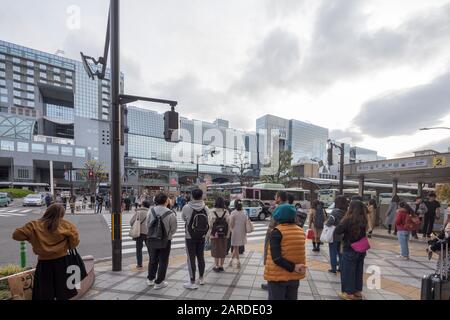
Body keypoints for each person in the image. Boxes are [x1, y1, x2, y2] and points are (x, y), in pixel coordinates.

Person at [12, 204, 80, 300]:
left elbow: (16, 235)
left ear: (47, 212)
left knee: (45, 293)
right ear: (62, 214)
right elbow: (74, 244)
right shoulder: (67, 225)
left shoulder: (34, 225)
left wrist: (32, 238)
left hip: (44, 264)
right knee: (64, 291)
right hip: (63, 262)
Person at [264, 202, 306, 300]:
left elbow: (277, 258)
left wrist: (293, 267)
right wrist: (295, 268)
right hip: (294, 278)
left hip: (277, 278)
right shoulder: (300, 231)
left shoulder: (277, 232)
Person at [335, 200, 369, 300]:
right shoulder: (364, 219)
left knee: (348, 271)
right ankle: (357, 292)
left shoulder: (348, 219)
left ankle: (349, 293)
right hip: (361, 249)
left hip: (350, 249)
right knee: (358, 270)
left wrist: (344, 219)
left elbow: (338, 230)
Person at [146, 193, 177, 290]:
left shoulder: (151, 211)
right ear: (165, 201)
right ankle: (159, 282)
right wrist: (167, 234)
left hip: (152, 238)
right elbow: (174, 228)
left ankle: (150, 279)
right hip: (166, 240)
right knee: (163, 261)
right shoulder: (170, 213)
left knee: (152, 259)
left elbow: (148, 224)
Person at [182, 188, 210, 290]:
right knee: (201, 257)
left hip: (190, 237)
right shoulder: (206, 208)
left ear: (192, 196)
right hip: (202, 236)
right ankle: (201, 278)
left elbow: (183, 218)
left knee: (191, 259)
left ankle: (192, 281)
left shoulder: (186, 207)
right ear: (201, 196)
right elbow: (209, 222)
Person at [261, 191, 288, 290]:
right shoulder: (288, 207)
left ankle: (271, 282)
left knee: (271, 258)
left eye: (275, 196)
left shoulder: (278, 208)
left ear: (279, 198)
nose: (274, 198)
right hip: (283, 236)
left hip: (274, 236)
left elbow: (273, 224)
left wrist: (270, 232)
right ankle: (279, 281)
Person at [324, 195, 348, 274]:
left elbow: (330, 222)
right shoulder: (346, 212)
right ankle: (341, 267)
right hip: (343, 235)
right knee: (340, 252)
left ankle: (333, 268)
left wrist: (326, 223)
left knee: (333, 252)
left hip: (333, 235)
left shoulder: (334, 212)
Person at [208, 197, 231, 272]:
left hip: (215, 235)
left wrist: (209, 234)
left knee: (215, 249)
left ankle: (216, 266)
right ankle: (221, 266)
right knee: (223, 249)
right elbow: (229, 224)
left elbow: (210, 225)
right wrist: (228, 234)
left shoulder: (212, 212)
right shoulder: (226, 212)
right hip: (224, 234)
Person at [130, 200, 151, 269]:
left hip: (139, 233)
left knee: (139, 249)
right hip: (148, 233)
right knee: (150, 249)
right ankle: (152, 262)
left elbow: (131, 222)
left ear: (142, 205)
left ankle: (139, 264)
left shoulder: (138, 212)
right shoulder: (150, 213)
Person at [229, 200, 248, 269]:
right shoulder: (244, 212)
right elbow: (246, 221)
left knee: (235, 247)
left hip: (235, 232)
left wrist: (231, 229)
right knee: (235, 247)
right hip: (242, 232)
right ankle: (231, 260)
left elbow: (231, 224)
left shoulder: (233, 213)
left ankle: (238, 262)